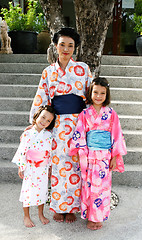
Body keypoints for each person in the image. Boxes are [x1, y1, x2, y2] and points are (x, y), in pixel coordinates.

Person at [29, 27, 93, 223]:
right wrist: (35, 124)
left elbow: (91, 97)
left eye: (70, 45)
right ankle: (58, 206)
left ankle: (72, 207)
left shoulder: (83, 69)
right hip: (57, 123)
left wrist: (94, 122)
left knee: (75, 164)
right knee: (57, 165)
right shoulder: (48, 72)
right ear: (55, 46)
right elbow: (41, 98)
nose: (66, 49)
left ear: (75, 48)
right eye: (62, 44)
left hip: (78, 123)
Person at [69, 77, 127, 230]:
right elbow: (80, 133)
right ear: (90, 92)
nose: (98, 96)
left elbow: (117, 134)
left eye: (102, 93)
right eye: (95, 92)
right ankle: (90, 217)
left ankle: (98, 217)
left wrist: (116, 156)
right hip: (89, 155)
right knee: (89, 187)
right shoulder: (85, 113)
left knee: (102, 188)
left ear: (107, 95)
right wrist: (82, 153)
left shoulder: (111, 113)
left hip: (105, 157)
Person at [12, 105, 56, 228]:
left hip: (43, 167)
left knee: (42, 191)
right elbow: (22, 151)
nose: (44, 122)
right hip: (30, 167)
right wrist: (21, 166)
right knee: (27, 191)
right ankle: (26, 216)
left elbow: (50, 152)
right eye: (43, 117)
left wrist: (50, 167)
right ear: (36, 116)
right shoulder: (28, 134)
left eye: (48, 121)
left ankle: (40, 214)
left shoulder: (48, 135)